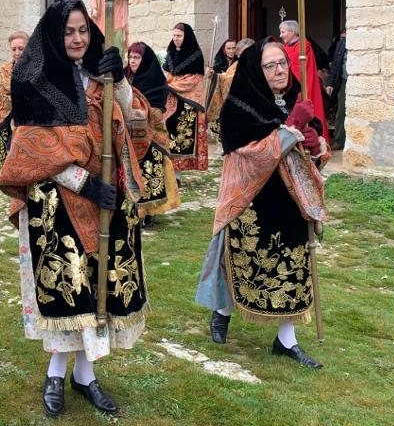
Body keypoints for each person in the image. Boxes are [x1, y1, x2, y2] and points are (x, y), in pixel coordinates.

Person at [0, 0, 150, 418]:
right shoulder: (34, 80)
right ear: (53, 34)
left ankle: (86, 374)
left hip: (108, 199)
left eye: (83, 29)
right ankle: (55, 372)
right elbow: (33, 152)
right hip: (56, 199)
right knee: (68, 284)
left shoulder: (102, 75)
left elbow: (135, 124)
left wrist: (119, 80)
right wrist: (84, 182)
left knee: (100, 285)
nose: (78, 38)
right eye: (68, 31)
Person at [195, 38, 329, 369]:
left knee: (292, 268)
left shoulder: (298, 101)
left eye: (282, 62)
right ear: (257, 69)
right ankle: (222, 312)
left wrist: (316, 145)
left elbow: (313, 157)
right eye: (270, 65)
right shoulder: (238, 109)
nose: (280, 69)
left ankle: (287, 341)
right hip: (251, 202)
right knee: (240, 264)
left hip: (290, 200)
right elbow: (252, 155)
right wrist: (292, 128)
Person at [125, 42, 180, 227]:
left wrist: (139, 112)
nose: (133, 61)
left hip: (151, 137)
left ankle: (149, 213)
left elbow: (157, 110)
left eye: (137, 57)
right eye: (130, 57)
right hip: (128, 135)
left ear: (145, 59)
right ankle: (134, 210)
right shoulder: (123, 77)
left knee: (149, 172)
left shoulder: (155, 80)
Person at [162, 22, 209, 175]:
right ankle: (169, 171)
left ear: (186, 36)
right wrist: (166, 80)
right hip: (170, 101)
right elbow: (167, 72)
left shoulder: (195, 55)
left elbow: (195, 80)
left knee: (181, 138)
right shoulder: (170, 51)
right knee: (167, 134)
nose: (175, 39)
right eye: (174, 35)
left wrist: (172, 84)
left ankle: (178, 174)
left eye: (179, 36)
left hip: (187, 103)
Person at [279, 20, 329, 141]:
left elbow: (297, 65)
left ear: (292, 32)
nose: (280, 35)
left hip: (302, 85)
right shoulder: (285, 46)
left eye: (283, 32)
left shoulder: (304, 45)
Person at [206, 37, 255, 139]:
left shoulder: (255, 63)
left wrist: (218, 76)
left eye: (234, 49)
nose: (233, 52)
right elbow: (229, 77)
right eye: (240, 54)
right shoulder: (237, 63)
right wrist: (214, 76)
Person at [0, 30, 29, 163]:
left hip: (29, 126)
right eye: (14, 49)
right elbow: (0, 93)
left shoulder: (37, 70)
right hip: (8, 123)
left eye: (21, 48)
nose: (17, 53)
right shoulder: (5, 70)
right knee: (9, 162)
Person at [326, 29, 347, 150]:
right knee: (341, 111)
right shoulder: (341, 44)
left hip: (356, 80)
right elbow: (336, 65)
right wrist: (330, 83)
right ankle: (339, 140)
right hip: (344, 81)